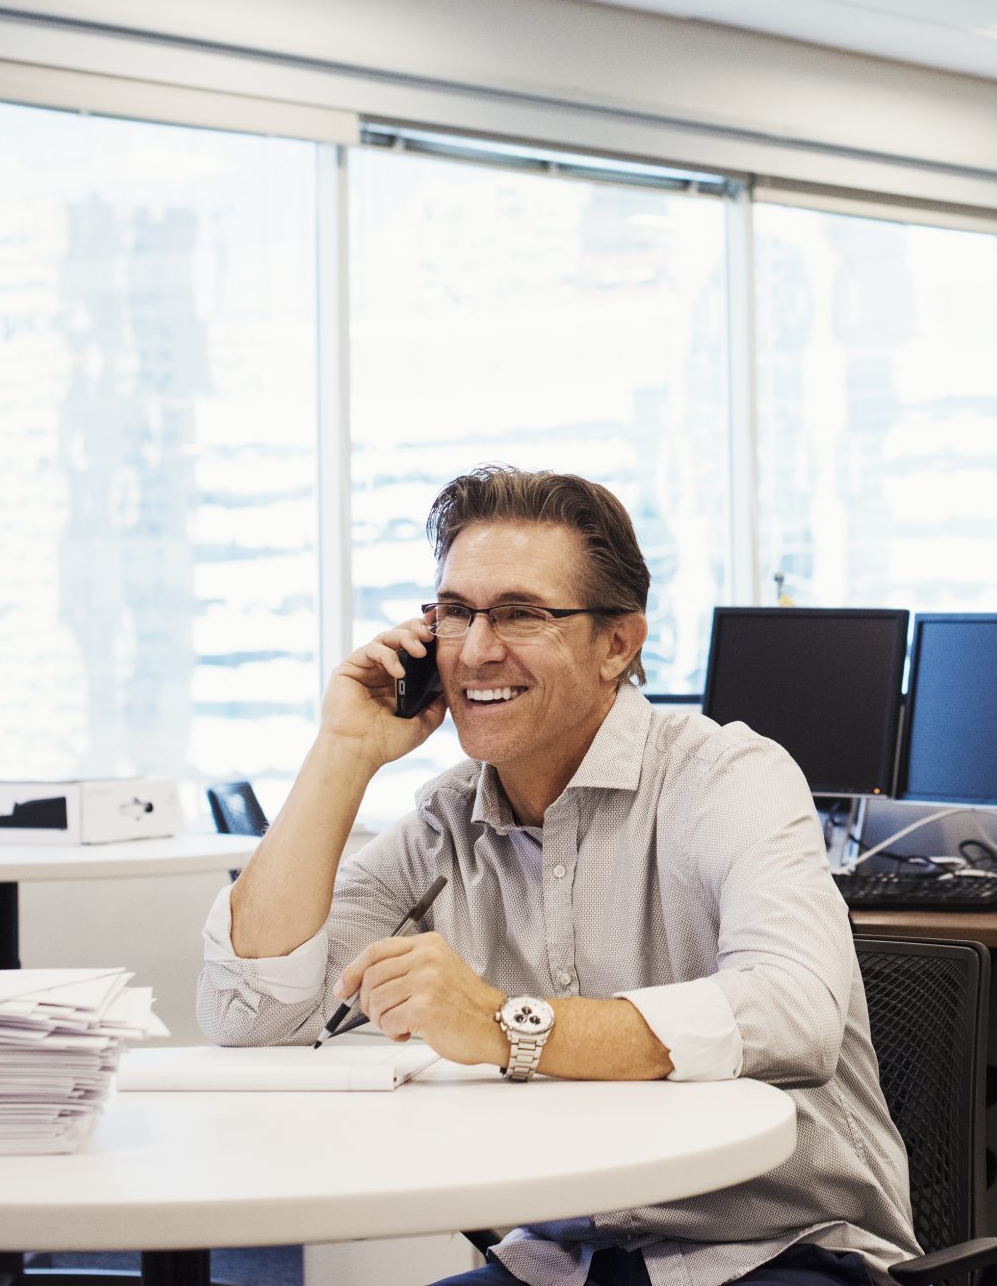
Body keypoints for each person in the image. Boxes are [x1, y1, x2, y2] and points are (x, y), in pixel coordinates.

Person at [198, 466, 918, 1286]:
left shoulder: (726, 776)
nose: (474, 650)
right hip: (567, 1262)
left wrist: (509, 1025)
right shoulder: (445, 823)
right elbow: (247, 1016)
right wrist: (343, 750)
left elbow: (794, 1011)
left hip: (783, 1248)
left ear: (618, 643)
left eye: (520, 613)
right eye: (455, 612)